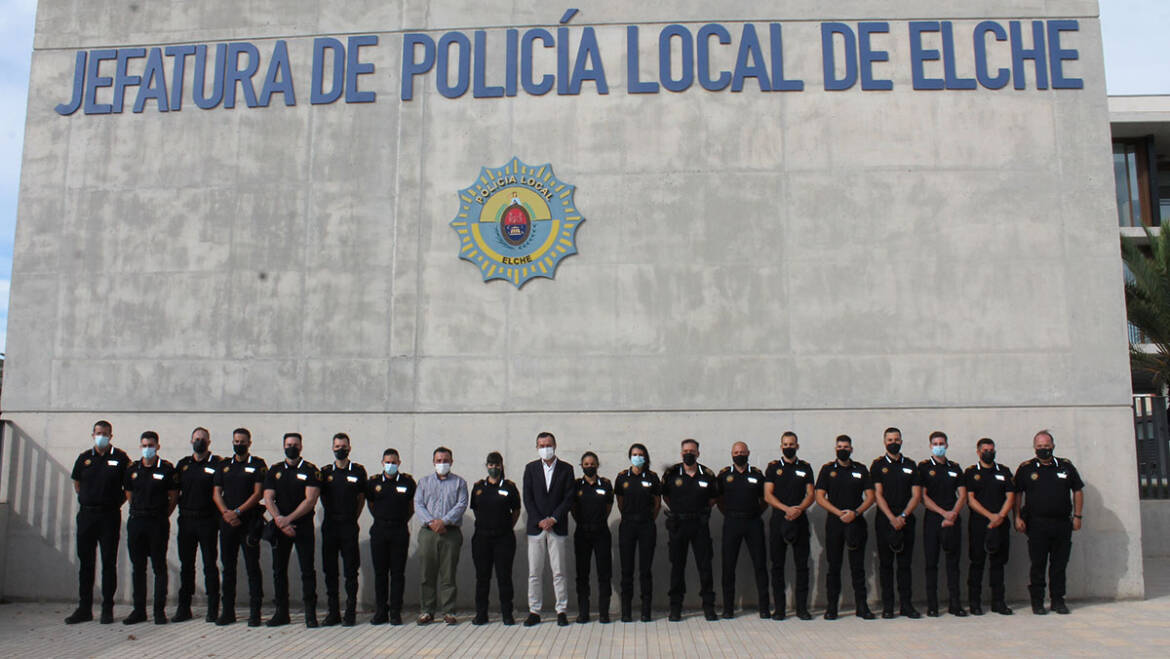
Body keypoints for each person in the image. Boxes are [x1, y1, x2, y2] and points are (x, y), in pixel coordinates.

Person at [66, 420, 131, 625]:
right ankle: (84, 608)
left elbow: (128, 486)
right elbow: (77, 484)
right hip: (87, 516)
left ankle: (107, 609)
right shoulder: (84, 458)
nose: (101, 436)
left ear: (111, 436)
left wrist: (113, 502)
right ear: (92, 434)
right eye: (98, 433)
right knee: (86, 563)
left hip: (109, 516)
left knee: (108, 563)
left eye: (105, 433)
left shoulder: (120, 458)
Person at [1014, 430, 1084, 615]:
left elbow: (1077, 490)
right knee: (1038, 564)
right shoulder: (1026, 468)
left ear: (1053, 446)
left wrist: (1078, 516)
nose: (1043, 449)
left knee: (1059, 565)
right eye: (1039, 447)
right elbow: (1017, 494)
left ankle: (1058, 601)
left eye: (1046, 446)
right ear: (1034, 447)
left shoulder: (1065, 466)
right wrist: (1017, 517)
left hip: (1062, 524)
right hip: (1036, 525)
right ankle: (1037, 602)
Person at [262, 432, 322, 628]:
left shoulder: (311, 470)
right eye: (288, 444)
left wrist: (288, 519)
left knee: (307, 571)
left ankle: (310, 614)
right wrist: (280, 521)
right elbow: (268, 497)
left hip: (302, 527)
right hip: (280, 527)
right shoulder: (275, 470)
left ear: (301, 447)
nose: (292, 447)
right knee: (279, 570)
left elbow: (310, 499)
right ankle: (281, 612)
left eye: (295, 444)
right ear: (283, 446)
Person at [814, 434, 876, 620]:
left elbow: (871, 497)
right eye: (839, 446)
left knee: (858, 567)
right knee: (834, 566)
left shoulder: (861, 469)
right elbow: (819, 497)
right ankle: (832, 607)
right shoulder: (827, 470)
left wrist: (855, 513)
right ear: (835, 449)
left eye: (846, 447)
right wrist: (839, 513)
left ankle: (862, 606)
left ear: (851, 449)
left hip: (856, 522)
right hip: (835, 523)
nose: (843, 449)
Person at [122, 431, 179, 625]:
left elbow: (173, 496)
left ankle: (159, 611)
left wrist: (163, 514)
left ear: (157, 447)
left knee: (159, 567)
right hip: (137, 521)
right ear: (140, 447)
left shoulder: (166, 469)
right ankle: (139, 610)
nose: (148, 449)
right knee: (138, 568)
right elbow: (129, 494)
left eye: (151, 445)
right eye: (144, 445)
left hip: (157, 523)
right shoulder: (132, 469)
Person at [212, 428, 267, 626]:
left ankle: (255, 613)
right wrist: (227, 513)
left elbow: (258, 493)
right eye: (236, 441)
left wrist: (238, 512)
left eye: (242, 441)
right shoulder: (224, 465)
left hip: (249, 523)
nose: (239, 444)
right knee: (228, 568)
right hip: (227, 523)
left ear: (249, 443)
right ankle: (227, 612)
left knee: (252, 567)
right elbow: (217, 492)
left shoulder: (258, 465)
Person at [522, 431, 576, 627]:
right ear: (537, 448)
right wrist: (539, 520)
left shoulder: (566, 469)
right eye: (542, 445)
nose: (545, 448)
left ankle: (561, 610)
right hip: (536, 528)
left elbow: (569, 497)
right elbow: (527, 498)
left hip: (557, 526)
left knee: (559, 572)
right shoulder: (530, 469)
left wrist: (553, 518)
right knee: (535, 572)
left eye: (548, 445)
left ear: (555, 445)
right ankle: (534, 611)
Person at [662, 438, 718, 622]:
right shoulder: (671, 474)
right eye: (685, 451)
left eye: (692, 451)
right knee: (677, 567)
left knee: (705, 567)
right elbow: (666, 496)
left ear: (698, 453)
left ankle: (709, 607)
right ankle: (675, 608)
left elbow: (713, 499)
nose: (689, 454)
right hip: (679, 525)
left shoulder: (707, 474)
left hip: (700, 525)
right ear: (681, 453)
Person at [869, 427, 922, 619]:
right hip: (885, 520)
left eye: (896, 439)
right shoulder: (877, 465)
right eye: (890, 439)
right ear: (884, 442)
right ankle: (888, 606)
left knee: (905, 565)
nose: (893, 442)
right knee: (885, 565)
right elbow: (877, 495)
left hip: (906, 520)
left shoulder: (910, 465)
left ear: (901, 441)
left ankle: (906, 605)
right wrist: (892, 518)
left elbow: (916, 495)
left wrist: (903, 516)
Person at [763, 431, 815, 621]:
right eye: (785, 444)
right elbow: (768, 495)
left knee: (802, 566)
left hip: (800, 519)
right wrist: (787, 509)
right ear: (781, 447)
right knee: (777, 566)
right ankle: (780, 609)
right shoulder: (773, 467)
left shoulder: (805, 467)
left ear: (797, 446)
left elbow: (811, 493)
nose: (788, 447)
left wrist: (799, 509)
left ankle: (802, 608)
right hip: (779, 520)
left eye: (792, 444)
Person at [415, 446, 469, 625]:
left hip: (450, 533)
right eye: (439, 460)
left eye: (445, 460)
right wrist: (432, 522)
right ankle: (427, 611)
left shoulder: (459, 483)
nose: (442, 463)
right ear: (433, 462)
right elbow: (418, 505)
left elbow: (461, 505)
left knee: (448, 574)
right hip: (428, 532)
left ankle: (449, 611)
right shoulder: (423, 482)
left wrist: (443, 522)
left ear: (451, 462)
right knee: (426, 574)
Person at [173, 427, 221, 623]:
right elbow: (174, 493)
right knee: (186, 566)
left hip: (208, 520)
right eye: (196, 439)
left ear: (209, 442)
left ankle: (213, 608)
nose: (199, 442)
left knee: (210, 565)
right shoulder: (183, 465)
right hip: (186, 520)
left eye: (203, 439)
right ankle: (184, 608)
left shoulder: (217, 464)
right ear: (191, 441)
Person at [716, 441, 769, 619]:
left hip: (753, 522)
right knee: (728, 566)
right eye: (736, 452)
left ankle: (764, 608)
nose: (739, 454)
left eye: (742, 452)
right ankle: (728, 608)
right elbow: (719, 499)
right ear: (732, 454)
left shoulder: (757, 474)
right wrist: (730, 513)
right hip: (732, 522)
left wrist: (755, 513)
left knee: (760, 565)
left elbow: (765, 498)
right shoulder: (724, 475)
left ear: (748, 453)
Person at [319, 433, 367, 626]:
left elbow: (362, 498)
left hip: (349, 525)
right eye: (337, 446)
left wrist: (353, 517)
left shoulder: (358, 471)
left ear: (349, 448)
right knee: (330, 570)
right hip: (330, 525)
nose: (340, 449)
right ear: (332, 448)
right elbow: (319, 496)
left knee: (350, 571)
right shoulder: (324, 472)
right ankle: (333, 612)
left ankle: (350, 612)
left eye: (344, 446)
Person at [918, 430, 968, 617]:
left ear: (947, 445)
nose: (939, 446)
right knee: (931, 563)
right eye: (935, 443)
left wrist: (953, 513)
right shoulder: (923, 467)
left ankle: (956, 604)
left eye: (942, 443)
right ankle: (933, 606)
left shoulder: (955, 468)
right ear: (931, 446)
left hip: (953, 519)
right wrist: (942, 513)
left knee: (953, 564)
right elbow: (922, 497)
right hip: (933, 520)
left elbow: (962, 494)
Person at [964, 437, 1015, 616]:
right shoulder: (971, 472)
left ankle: (998, 602)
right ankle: (975, 603)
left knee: (998, 564)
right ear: (978, 452)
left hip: (1000, 524)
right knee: (977, 563)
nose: (988, 453)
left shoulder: (1004, 471)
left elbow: (1011, 496)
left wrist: (1000, 516)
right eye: (985, 450)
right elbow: (970, 499)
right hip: (979, 524)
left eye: (991, 450)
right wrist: (990, 516)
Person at [470, 451, 521, 625]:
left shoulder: (509, 487)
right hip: (482, 538)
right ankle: (481, 614)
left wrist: (505, 526)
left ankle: (507, 613)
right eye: (490, 465)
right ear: (487, 466)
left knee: (504, 577)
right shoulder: (478, 487)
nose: (493, 468)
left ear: (501, 466)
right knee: (482, 577)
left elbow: (516, 511)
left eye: (496, 465)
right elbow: (475, 510)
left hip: (503, 538)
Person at [366, 448, 415, 626]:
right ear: (382, 463)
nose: (390, 465)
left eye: (394, 462)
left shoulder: (408, 482)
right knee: (380, 573)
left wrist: (400, 520)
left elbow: (411, 507)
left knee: (397, 574)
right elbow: (370, 504)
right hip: (379, 530)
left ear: (399, 463)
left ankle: (395, 611)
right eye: (387, 462)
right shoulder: (373, 482)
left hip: (399, 531)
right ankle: (381, 611)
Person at [614, 443, 661, 622]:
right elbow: (620, 501)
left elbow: (657, 503)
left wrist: (648, 519)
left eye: (641, 454)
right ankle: (626, 611)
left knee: (645, 570)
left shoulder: (652, 477)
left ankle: (645, 610)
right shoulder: (622, 477)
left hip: (646, 526)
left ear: (646, 456)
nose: (638, 457)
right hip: (627, 526)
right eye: (634, 454)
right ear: (630, 456)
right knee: (627, 570)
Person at [572, 451, 614, 623]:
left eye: (592, 463)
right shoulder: (576, 485)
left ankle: (604, 612)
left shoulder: (605, 484)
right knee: (582, 574)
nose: (589, 466)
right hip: (582, 532)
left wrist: (598, 521)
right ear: (581, 466)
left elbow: (609, 506)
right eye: (586, 464)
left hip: (601, 532)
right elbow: (573, 509)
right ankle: (584, 612)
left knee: (604, 573)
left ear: (597, 465)